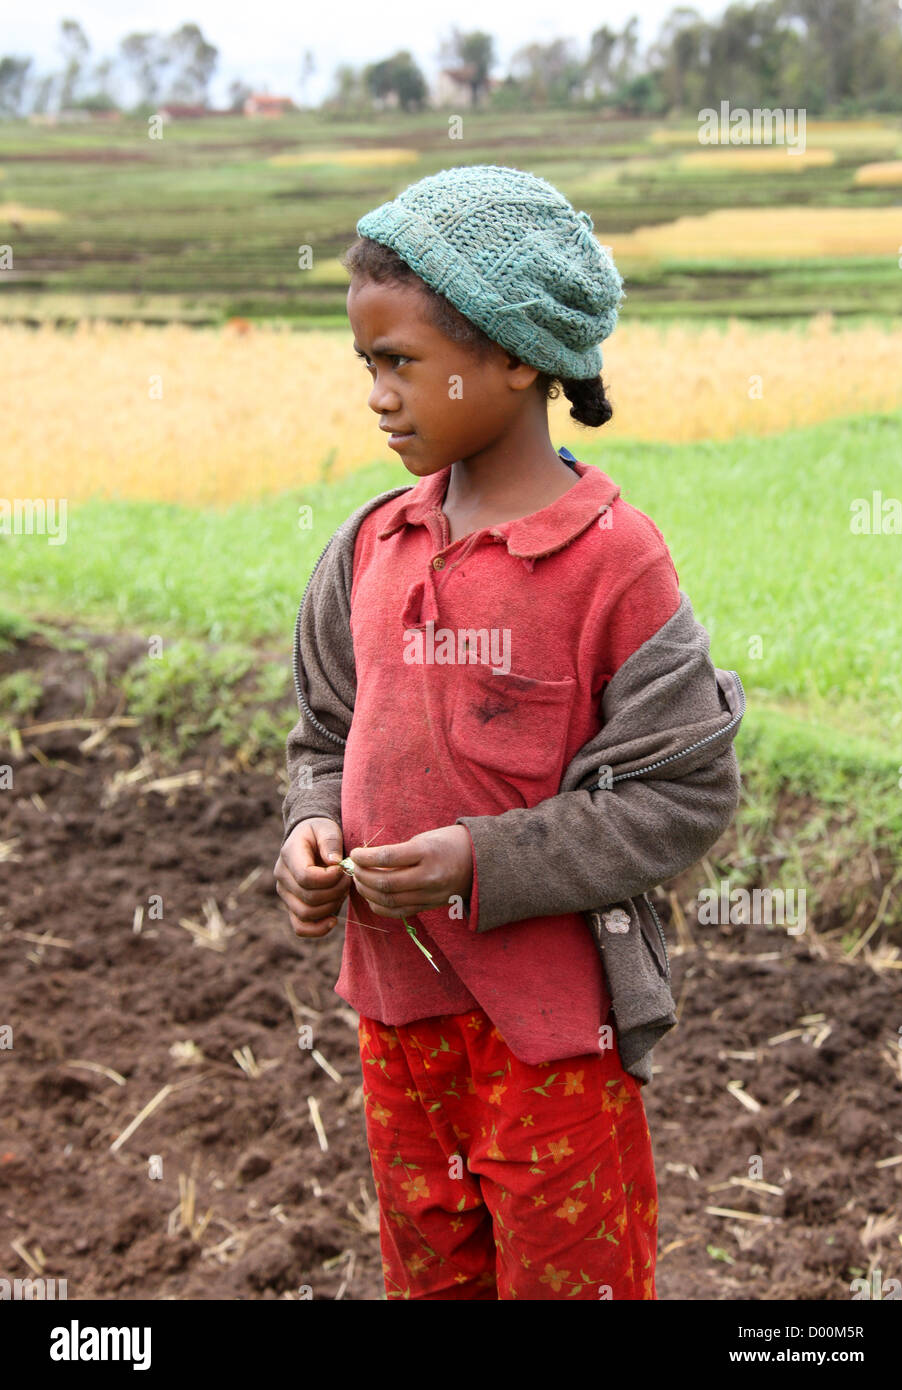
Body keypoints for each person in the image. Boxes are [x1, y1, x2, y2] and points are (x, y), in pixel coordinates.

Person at [274, 164, 742, 1300]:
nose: (377, 394)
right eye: (365, 364)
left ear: (518, 355)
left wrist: (478, 861)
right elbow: (320, 734)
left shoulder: (610, 563)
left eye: (400, 362)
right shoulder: (369, 547)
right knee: (429, 1277)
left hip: (550, 1037)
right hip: (396, 1021)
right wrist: (309, 830)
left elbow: (680, 794)